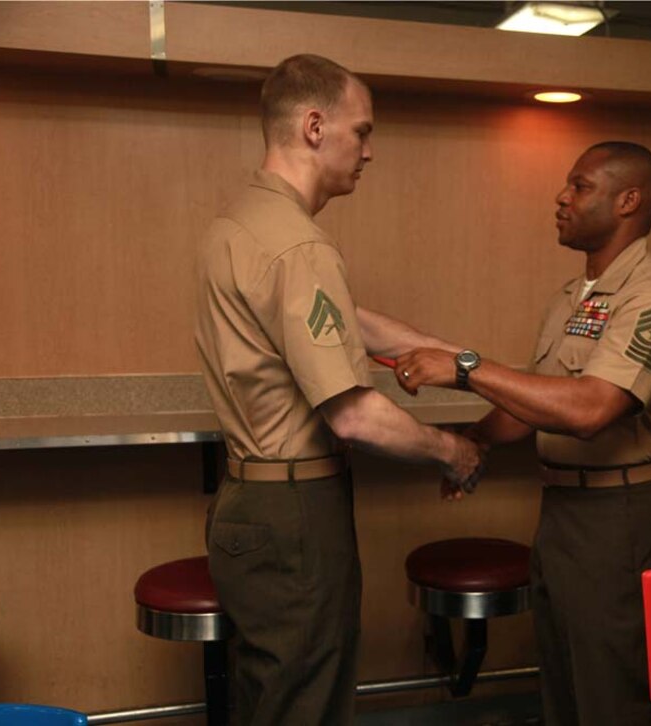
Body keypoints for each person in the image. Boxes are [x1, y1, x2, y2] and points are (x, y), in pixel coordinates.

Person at [194, 54, 483, 725]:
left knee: (271, 695)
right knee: (306, 705)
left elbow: (343, 318)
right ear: (316, 126)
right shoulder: (300, 246)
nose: (370, 152)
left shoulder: (239, 225)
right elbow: (355, 416)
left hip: (247, 500)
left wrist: (455, 355)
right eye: (362, 132)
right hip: (294, 513)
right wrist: (452, 451)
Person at [394, 142, 651, 726]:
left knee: (612, 694)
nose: (561, 197)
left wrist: (466, 367)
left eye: (579, 186)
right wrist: (475, 441)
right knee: (561, 685)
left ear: (628, 200)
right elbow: (539, 399)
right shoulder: (571, 299)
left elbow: (590, 409)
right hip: (563, 510)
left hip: (620, 517)